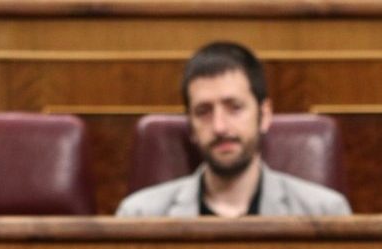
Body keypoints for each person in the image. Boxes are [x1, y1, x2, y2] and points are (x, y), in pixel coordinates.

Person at [116, 42, 351, 218]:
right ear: (190, 125)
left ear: (265, 114)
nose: (220, 127)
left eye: (235, 108)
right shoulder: (138, 214)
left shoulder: (326, 212)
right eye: (203, 111)